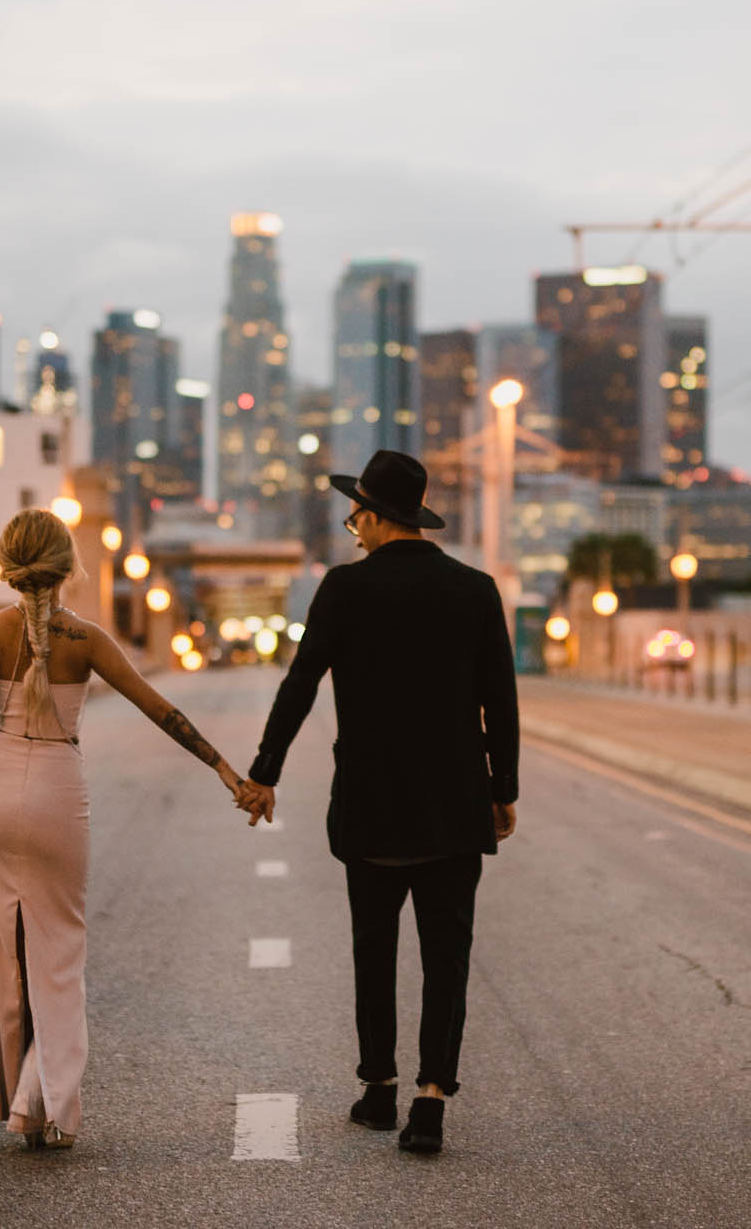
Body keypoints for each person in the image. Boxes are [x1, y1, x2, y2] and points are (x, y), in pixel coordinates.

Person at [0, 507, 271, 1151]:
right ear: (67, 569)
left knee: (4, 956)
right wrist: (227, 771)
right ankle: (50, 1102)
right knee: (57, 954)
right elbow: (159, 708)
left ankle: (18, 1100)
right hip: (58, 792)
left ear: (9, 567)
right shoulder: (85, 639)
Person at [245, 449, 519, 1155]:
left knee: (375, 948)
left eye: (353, 516)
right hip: (454, 806)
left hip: (369, 804)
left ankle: (378, 1089)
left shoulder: (342, 589)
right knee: (446, 954)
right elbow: (500, 703)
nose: (352, 529)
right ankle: (431, 1100)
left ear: (373, 515)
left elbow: (300, 684)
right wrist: (503, 790)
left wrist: (265, 768)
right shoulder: (476, 589)